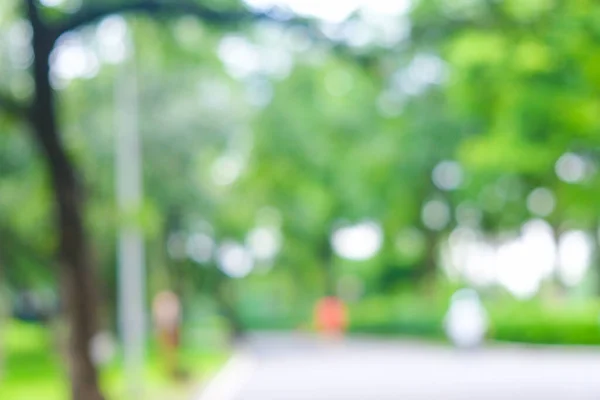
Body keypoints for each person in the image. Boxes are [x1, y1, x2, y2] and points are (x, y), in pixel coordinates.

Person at [152, 290, 181, 377]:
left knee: (171, 348)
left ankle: (171, 367)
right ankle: (167, 368)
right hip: (165, 327)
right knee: (164, 348)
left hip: (170, 327)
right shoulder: (162, 304)